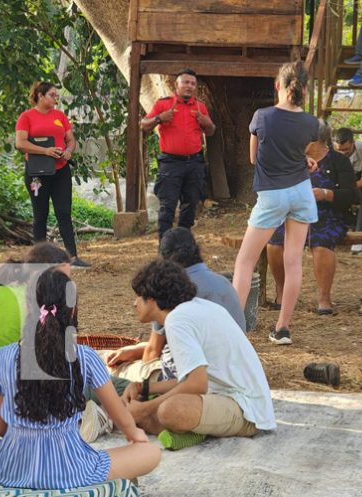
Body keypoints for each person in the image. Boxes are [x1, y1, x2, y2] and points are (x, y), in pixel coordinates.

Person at [0, 268, 160, 489]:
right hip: (72, 470)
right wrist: (135, 435)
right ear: (72, 312)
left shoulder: (1, 358)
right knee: (150, 452)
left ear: (28, 308)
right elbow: (123, 420)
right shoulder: (85, 357)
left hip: (12, 470)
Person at [124, 260, 276, 451]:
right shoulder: (195, 308)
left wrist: (147, 408)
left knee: (169, 410)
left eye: (138, 296)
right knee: (156, 400)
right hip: (232, 398)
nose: (134, 303)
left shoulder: (176, 321)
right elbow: (192, 379)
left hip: (247, 413)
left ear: (153, 299)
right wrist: (143, 387)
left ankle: (193, 430)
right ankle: (186, 429)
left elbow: (197, 384)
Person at [233, 61, 319, 346]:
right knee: (293, 262)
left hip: (272, 194)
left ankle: (234, 328)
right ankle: (282, 329)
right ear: (304, 90)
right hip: (302, 193)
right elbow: (297, 153)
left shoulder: (262, 116)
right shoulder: (311, 122)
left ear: (277, 86)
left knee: (245, 262)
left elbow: (254, 158)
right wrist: (303, 161)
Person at [106, 227, 246, 382]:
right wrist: (134, 350)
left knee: (116, 372)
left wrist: (142, 384)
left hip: (203, 377)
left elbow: (153, 352)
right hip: (236, 370)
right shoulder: (224, 283)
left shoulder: (171, 290)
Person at [267, 121, 357, 315]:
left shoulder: (338, 161)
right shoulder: (292, 159)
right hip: (293, 213)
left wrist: (325, 194)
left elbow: (352, 195)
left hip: (328, 213)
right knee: (274, 242)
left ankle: (324, 299)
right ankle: (281, 292)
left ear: (316, 139)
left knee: (321, 242)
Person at [15, 82, 90, 268]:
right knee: (40, 214)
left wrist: (68, 151)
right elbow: (20, 143)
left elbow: (70, 139)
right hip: (37, 173)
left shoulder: (60, 116)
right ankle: (38, 259)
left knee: (64, 213)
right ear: (40, 96)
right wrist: (45, 151)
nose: (56, 98)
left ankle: (72, 257)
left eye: (57, 95)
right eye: (52, 95)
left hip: (60, 170)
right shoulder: (26, 117)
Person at [141, 68, 216, 240]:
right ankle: (165, 248)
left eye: (192, 84)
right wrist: (160, 118)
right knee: (167, 207)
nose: (189, 86)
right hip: (171, 163)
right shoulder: (164, 104)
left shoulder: (200, 106)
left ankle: (183, 245)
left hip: (195, 163)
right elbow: (143, 124)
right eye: (185, 82)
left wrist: (206, 123)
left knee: (190, 207)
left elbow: (211, 131)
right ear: (176, 85)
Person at [332, 128, 362, 254]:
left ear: (353, 143)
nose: (344, 153)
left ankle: (359, 238)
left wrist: (348, 187)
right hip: (339, 185)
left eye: (347, 150)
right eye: (340, 150)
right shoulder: (332, 152)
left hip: (358, 184)